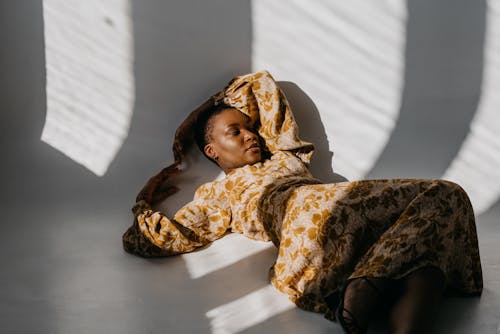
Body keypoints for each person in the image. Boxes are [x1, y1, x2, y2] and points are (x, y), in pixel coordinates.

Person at [122, 71, 483, 333]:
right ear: (212, 150)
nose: (250, 134)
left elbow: (261, 85)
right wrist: (146, 198)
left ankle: (364, 293)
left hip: (338, 218)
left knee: (433, 232)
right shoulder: (218, 194)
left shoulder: (285, 157)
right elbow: (157, 239)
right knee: (436, 202)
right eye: (235, 131)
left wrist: (217, 104)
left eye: (250, 127)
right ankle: (362, 289)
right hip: (304, 227)